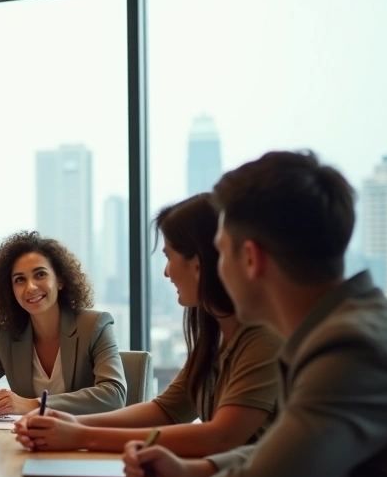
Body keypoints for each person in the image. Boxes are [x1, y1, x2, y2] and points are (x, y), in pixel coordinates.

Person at [123, 151, 387, 477]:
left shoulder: (350, 349)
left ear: (250, 258)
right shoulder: (342, 327)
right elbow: (290, 451)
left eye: (219, 253)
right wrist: (197, 472)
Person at [14, 194, 281, 455]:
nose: (166, 272)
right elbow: (165, 411)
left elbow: (219, 437)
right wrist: (69, 422)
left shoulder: (262, 337)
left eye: (169, 257)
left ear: (197, 264)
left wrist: (81, 435)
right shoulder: (214, 336)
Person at [0, 231, 126, 415]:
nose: (30, 287)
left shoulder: (95, 326)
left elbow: (114, 395)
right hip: (29, 440)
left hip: (85, 439)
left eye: (40, 274)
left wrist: (32, 405)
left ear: (60, 280)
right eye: (20, 280)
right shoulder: (8, 336)